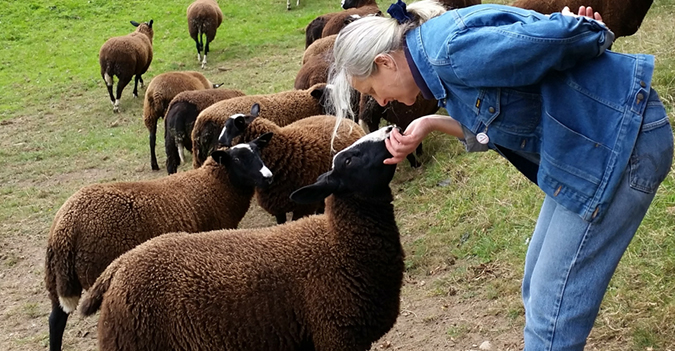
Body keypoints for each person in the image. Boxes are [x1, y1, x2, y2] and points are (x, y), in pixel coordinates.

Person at [327, 0, 674, 350]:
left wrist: (584, 31)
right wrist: (430, 123)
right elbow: (495, 113)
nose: (382, 103)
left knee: (550, 316)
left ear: (385, 62)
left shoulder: (452, 54)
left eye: (372, 91)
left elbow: (560, 36)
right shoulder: (435, 54)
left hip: (620, 142)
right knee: (536, 286)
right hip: (588, 146)